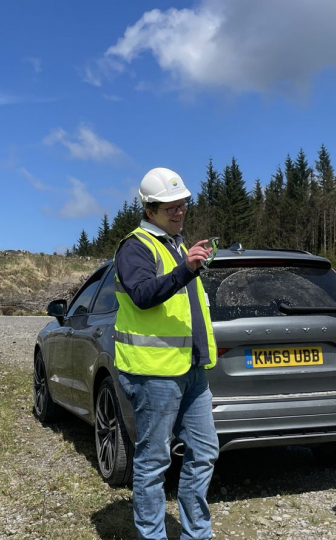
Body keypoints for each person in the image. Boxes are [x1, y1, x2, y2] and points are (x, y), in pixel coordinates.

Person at [113, 167, 219, 540]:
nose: (179, 212)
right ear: (149, 209)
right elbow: (143, 295)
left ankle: (196, 534)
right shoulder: (135, 246)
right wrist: (185, 270)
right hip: (154, 371)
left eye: (183, 204)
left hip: (191, 370)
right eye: (170, 207)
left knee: (205, 452)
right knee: (153, 462)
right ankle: (152, 535)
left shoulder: (175, 244)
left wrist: (187, 264)